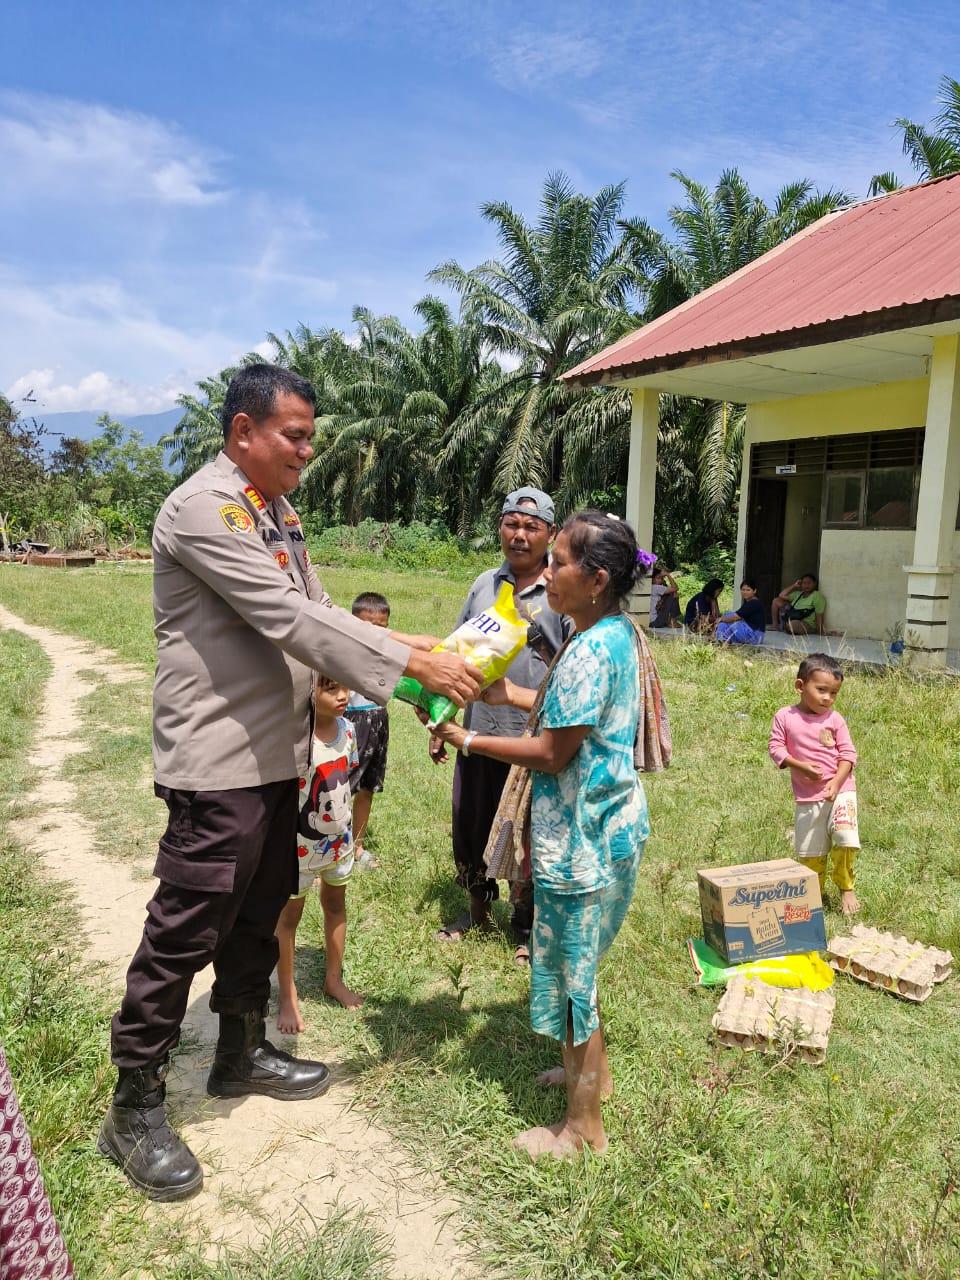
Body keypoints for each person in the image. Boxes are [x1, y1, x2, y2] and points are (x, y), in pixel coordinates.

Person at [99, 364, 482, 1202]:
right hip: (217, 758)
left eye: (311, 436)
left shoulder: (276, 511)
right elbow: (287, 617)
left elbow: (323, 608)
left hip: (278, 753)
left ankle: (240, 1052)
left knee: (262, 906)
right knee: (187, 924)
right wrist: (411, 665)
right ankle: (134, 1104)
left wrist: (415, 659)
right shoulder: (207, 510)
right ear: (244, 432)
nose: (308, 450)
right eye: (295, 435)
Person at [431, 511, 662, 1158]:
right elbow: (577, 715)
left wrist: (468, 737)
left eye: (559, 563)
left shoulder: (586, 650)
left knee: (568, 981)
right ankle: (595, 1077)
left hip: (581, 840)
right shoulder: (614, 633)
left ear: (596, 580)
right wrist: (510, 694)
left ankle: (582, 1130)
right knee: (581, 967)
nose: (547, 573)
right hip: (613, 826)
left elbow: (554, 753)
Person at [433, 488, 571, 964]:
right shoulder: (483, 585)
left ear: (551, 535)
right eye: (512, 523)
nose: (520, 535)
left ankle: (526, 927)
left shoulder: (561, 593)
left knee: (527, 835)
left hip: (532, 741)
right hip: (477, 731)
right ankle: (476, 911)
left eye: (532, 527)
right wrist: (442, 720)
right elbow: (454, 655)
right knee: (472, 825)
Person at [276, 676, 362, 1028]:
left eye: (345, 687)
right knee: (288, 919)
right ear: (308, 691)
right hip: (297, 852)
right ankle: (287, 994)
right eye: (331, 689)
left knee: (336, 906)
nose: (343, 696)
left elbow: (347, 780)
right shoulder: (296, 738)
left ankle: (333, 980)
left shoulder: (349, 731)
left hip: (339, 846)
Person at [768, 654, 861, 916]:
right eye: (821, 690)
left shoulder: (835, 719)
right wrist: (800, 766)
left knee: (845, 837)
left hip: (841, 790)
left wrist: (837, 781)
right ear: (800, 686)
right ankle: (814, 894)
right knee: (811, 852)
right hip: (808, 797)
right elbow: (775, 747)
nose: (828, 698)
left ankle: (846, 887)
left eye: (834, 693)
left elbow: (848, 755)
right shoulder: (785, 716)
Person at [344, 591, 392, 871]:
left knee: (367, 787)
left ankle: (357, 846)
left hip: (379, 720)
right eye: (366, 627)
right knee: (341, 789)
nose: (374, 634)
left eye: (381, 628)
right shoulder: (344, 652)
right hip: (352, 721)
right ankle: (328, 850)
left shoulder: (388, 653)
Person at [715, 579, 766, 645]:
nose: (745, 592)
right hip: (752, 636)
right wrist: (722, 620)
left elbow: (735, 617)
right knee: (723, 623)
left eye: (748, 590)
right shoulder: (749, 602)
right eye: (743, 590)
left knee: (728, 615)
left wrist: (720, 619)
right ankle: (723, 641)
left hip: (755, 636)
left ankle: (720, 638)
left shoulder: (754, 603)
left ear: (754, 591)